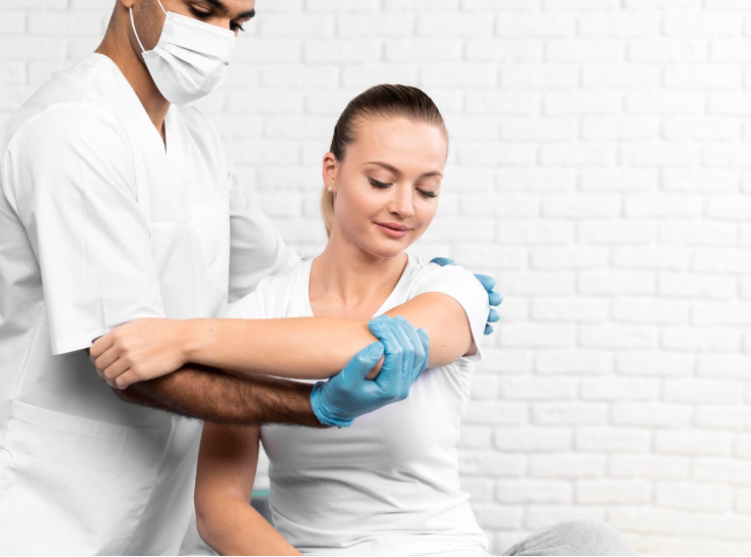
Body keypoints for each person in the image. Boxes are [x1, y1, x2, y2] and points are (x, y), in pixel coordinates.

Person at [0, 0, 499, 555]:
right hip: (58, 498)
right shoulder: (72, 131)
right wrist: (315, 405)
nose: (218, 39)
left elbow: (289, 281)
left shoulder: (197, 141)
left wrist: (436, 296)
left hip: (156, 503)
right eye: (202, 11)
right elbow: (129, 359)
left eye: (236, 24)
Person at [90, 86, 634, 557]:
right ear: (332, 171)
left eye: (427, 189)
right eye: (381, 181)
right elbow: (219, 507)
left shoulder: (451, 290)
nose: (405, 207)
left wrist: (184, 338)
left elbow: (357, 345)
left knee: (592, 541)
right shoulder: (257, 316)